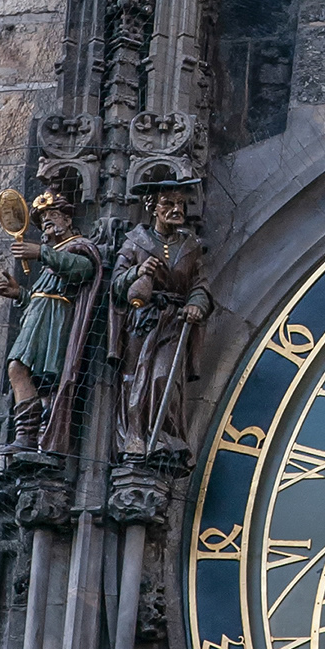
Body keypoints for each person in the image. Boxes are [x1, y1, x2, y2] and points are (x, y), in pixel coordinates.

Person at [0, 189, 103, 457]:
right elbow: (41, 296)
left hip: (57, 322)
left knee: (32, 375)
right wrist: (19, 293)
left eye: (53, 215)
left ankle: (37, 435)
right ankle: (29, 436)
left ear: (68, 220)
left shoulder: (78, 247)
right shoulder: (52, 257)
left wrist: (41, 252)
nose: (48, 222)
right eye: (44, 219)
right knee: (21, 371)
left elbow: (84, 270)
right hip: (40, 318)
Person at [112, 180, 212, 460]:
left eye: (180, 204)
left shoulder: (190, 246)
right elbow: (116, 285)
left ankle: (164, 435)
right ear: (152, 208)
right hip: (142, 319)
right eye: (168, 203)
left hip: (174, 321)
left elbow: (200, 285)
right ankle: (133, 435)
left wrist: (195, 304)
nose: (176, 209)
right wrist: (137, 272)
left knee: (163, 376)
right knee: (134, 377)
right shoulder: (135, 242)